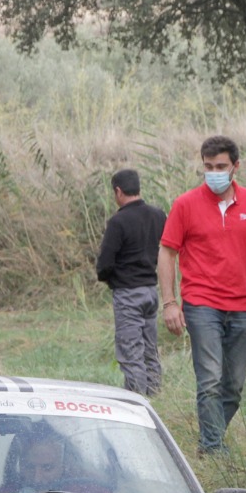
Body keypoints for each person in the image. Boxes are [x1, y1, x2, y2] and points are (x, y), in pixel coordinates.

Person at [157, 136, 246, 454]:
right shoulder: (185, 204)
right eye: (208, 167)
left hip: (241, 305)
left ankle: (210, 437)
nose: (214, 173)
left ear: (236, 167)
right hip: (201, 303)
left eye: (221, 166)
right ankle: (212, 448)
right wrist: (170, 303)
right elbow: (167, 253)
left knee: (233, 386)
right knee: (209, 379)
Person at [95, 168, 167, 396]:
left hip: (128, 294)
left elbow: (105, 264)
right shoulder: (159, 215)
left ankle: (136, 403)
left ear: (118, 191)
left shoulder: (118, 221)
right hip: (151, 292)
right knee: (150, 350)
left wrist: (110, 279)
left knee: (131, 353)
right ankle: (155, 398)